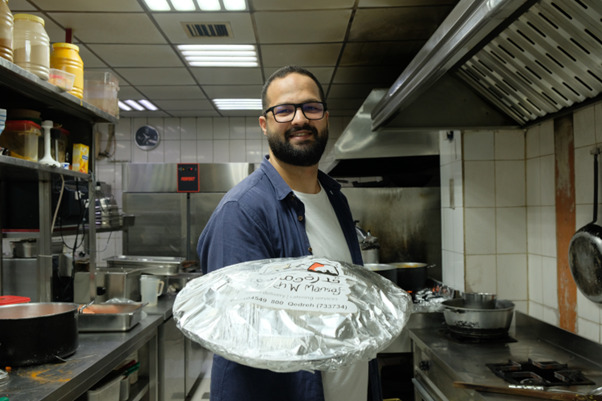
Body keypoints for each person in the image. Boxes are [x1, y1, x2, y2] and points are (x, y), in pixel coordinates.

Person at [197, 65, 382, 401]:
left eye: (311, 107)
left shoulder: (335, 199)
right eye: (284, 110)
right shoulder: (243, 211)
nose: (300, 119)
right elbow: (237, 336)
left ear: (325, 118)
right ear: (265, 124)